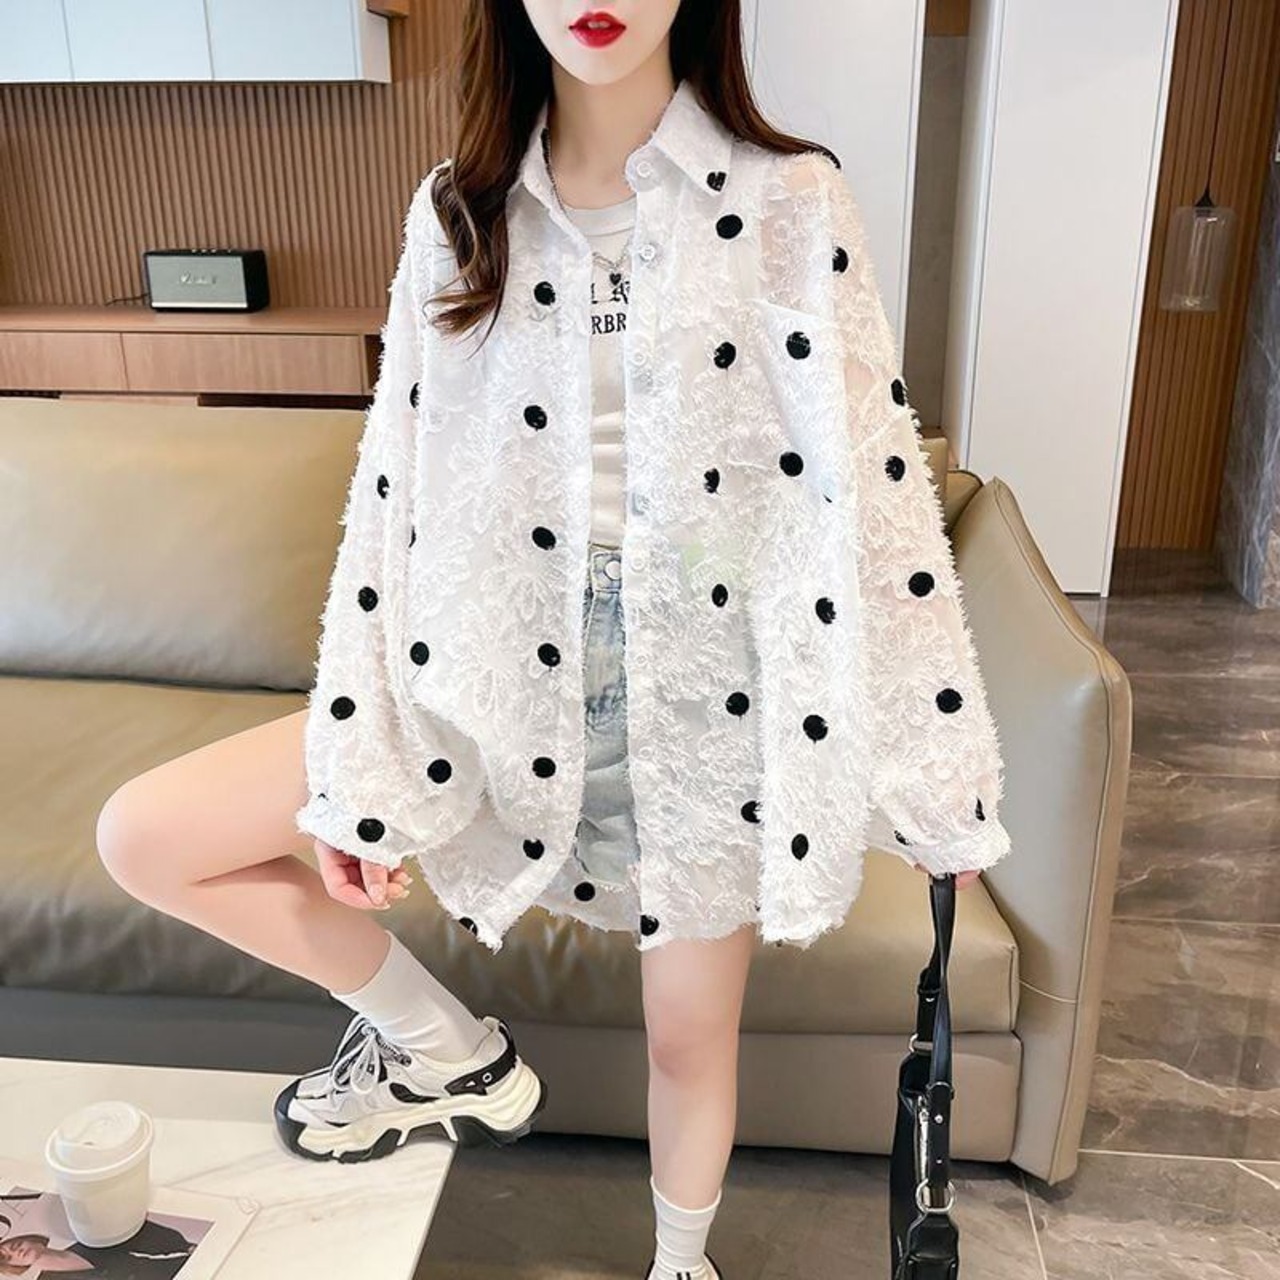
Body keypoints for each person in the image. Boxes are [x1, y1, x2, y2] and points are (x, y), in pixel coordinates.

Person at [96, 3, 1013, 1278]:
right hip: (483, 664)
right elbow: (392, 494)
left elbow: (870, 493)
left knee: (687, 1037)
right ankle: (440, 1048)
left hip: (705, 690)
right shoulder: (457, 211)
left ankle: (678, 1262)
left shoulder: (790, 199)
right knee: (146, 833)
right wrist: (360, 758)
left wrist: (934, 771)